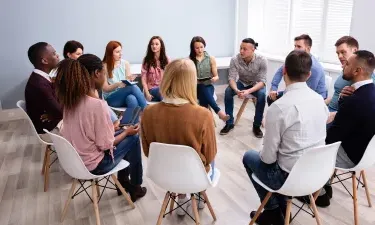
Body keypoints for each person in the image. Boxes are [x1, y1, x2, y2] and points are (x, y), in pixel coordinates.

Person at [243, 50, 329, 225]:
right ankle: (280, 208)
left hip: (289, 179)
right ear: (309, 74)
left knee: (249, 157)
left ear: (284, 71)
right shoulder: (319, 100)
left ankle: (273, 211)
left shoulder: (279, 107)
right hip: (317, 174)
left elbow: (267, 159)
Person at [55, 54, 147, 202]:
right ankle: (135, 186)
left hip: (75, 160)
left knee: (123, 130)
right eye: (104, 72)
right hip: (94, 165)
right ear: (97, 74)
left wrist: (113, 126)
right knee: (133, 137)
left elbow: (88, 131)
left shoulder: (70, 100)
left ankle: (124, 183)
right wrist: (126, 132)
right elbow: (105, 145)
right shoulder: (97, 105)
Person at [141, 59, 217, 216]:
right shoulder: (203, 115)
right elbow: (209, 156)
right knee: (204, 156)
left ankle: (181, 196)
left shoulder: (148, 113)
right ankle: (195, 194)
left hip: (163, 173)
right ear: (191, 82)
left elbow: (148, 152)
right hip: (193, 175)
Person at [323, 50, 375, 206]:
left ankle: (319, 192)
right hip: (367, 154)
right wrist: (342, 100)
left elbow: (330, 139)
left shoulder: (355, 101)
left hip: (350, 156)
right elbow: (350, 119)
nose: (343, 66)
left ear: (357, 71)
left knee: (309, 142)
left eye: (347, 64)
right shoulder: (368, 92)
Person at [62, 40, 120, 127]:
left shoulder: (70, 105)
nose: (81, 56)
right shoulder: (95, 104)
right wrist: (121, 131)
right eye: (78, 54)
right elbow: (105, 140)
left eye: (82, 53)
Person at [220, 38, 267, 138]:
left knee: (262, 95)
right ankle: (229, 123)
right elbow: (231, 78)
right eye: (240, 48)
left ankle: (256, 125)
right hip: (242, 83)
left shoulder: (262, 60)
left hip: (256, 84)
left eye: (245, 49)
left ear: (253, 49)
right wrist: (237, 90)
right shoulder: (235, 59)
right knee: (228, 91)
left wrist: (248, 91)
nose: (241, 51)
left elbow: (263, 82)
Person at [325, 36, 375, 126]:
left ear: (354, 50)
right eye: (338, 53)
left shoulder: (363, 77)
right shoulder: (345, 70)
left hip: (338, 117)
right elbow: (336, 94)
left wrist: (333, 115)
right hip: (328, 110)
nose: (340, 56)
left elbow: (364, 107)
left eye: (343, 52)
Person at [268, 34, 326, 106]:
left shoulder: (315, 68)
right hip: (299, 92)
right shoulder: (295, 58)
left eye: (299, 46)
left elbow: (307, 92)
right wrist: (274, 88)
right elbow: (280, 71)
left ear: (308, 49)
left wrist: (288, 96)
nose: (295, 49)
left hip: (315, 100)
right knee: (270, 98)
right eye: (295, 46)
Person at [25, 42, 62, 142]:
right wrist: (56, 113)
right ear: (45, 60)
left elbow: (57, 104)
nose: (58, 55)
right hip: (48, 131)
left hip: (50, 122)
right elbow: (60, 112)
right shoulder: (40, 85)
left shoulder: (40, 78)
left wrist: (54, 113)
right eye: (54, 53)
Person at [189, 36, 229, 122]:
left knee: (204, 92)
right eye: (197, 48)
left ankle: (203, 121)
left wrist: (214, 78)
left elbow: (216, 76)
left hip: (208, 86)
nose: (200, 50)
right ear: (193, 48)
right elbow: (187, 78)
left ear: (204, 46)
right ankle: (219, 112)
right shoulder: (190, 60)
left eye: (201, 47)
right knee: (202, 88)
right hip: (195, 88)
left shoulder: (211, 59)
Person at [102, 41, 147, 110]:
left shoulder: (125, 63)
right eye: (117, 52)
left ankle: (129, 121)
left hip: (124, 95)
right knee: (133, 87)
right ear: (110, 53)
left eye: (120, 51)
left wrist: (129, 79)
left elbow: (127, 82)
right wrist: (117, 84)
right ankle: (148, 112)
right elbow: (105, 89)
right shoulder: (104, 66)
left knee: (132, 99)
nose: (121, 54)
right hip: (111, 98)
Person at [141, 36, 169, 102]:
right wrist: (147, 94)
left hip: (164, 90)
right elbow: (143, 79)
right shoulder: (146, 60)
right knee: (161, 91)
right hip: (151, 91)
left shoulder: (166, 59)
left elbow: (169, 77)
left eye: (156, 44)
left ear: (161, 46)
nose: (154, 46)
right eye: (152, 44)